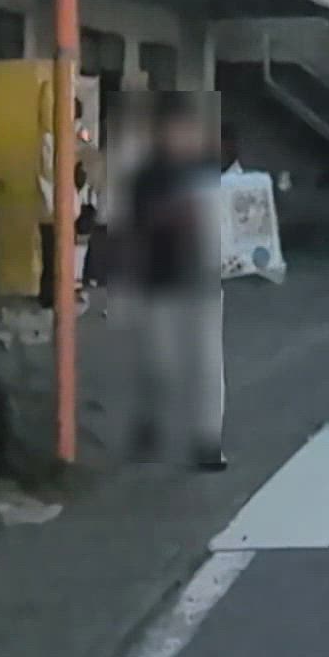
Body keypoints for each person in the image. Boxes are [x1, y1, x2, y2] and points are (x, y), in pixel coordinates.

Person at [123, 95, 228, 471]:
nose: (182, 138)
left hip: (201, 283)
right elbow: (136, 228)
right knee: (159, 364)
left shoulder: (206, 171)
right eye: (174, 130)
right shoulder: (147, 177)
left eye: (188, 131)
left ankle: (207, 441)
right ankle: (150, 422)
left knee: (206, 365)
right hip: (159, 280)